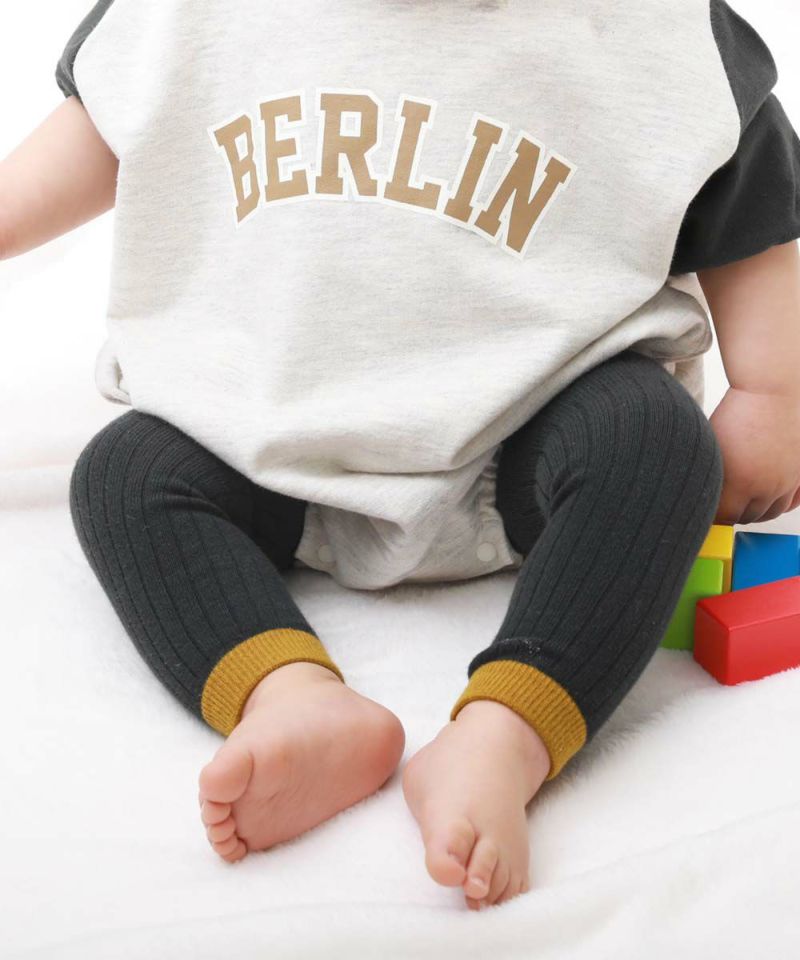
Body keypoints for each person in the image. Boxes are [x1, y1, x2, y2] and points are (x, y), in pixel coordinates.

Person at [2, 0, 800, 911]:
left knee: (655, 444)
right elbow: (103, 126)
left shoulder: (653, 26)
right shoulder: (184, 15)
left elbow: (747, 191)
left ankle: (509, 727)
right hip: (265, 442)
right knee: (127, 474)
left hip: (531, 433)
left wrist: (772, 393)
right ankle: (289, 694)